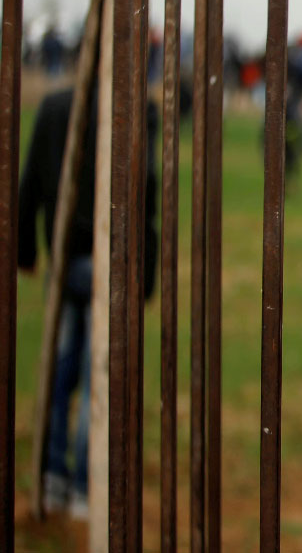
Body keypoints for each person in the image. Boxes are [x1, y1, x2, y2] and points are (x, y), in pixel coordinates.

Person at [18, 84, 158, 518]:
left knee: (61, 369)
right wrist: (146, 273)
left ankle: (56, 476)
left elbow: (32, 180)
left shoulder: (54, 105)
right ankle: (81, 487)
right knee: (93, 373)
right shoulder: (132, 105)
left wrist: (26, 249)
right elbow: (148, 193)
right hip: (107, 263)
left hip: (65, 259)